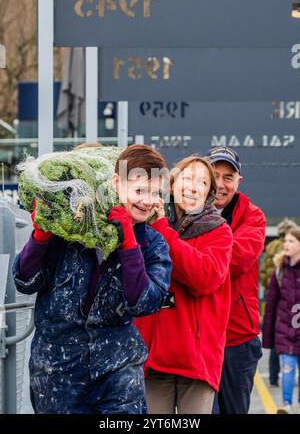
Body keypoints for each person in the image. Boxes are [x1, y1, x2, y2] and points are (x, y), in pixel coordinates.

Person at [13, 144, 172, 414]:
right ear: (115, 184)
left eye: (155, 193)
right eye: (139, 191)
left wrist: (129, 244)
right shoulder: (67, 232)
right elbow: (25, 280)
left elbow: (145, 302)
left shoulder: (153, 245)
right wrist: (41, 235)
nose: (147, 201)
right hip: (56, 372)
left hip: (118, 370)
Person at [135, 155, 233, 414]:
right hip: (152, 357)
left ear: (208, 194)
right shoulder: (145, 221)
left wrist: (162, 230)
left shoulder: (219, 231)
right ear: (171, 185)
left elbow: (205, 277)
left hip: (196, 361)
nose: (193, 187)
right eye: (188, 178)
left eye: (202, 183)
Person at [206, 146, 266, 414]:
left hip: (237, 337)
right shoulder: (184, 210)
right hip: (200, 337)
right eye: (214, 175)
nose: (220, 184)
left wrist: (198, 253)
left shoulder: (253, 215)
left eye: (228, 177)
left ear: (238, 181)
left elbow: (237, 260)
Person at [263, 228, 300, 414]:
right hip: (285, 329)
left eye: (292, 241)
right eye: (286, 240)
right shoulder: (279, 270)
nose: (286, 244)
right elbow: (271, 305)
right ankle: (286, 404)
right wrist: (268, 338)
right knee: (287, 367)